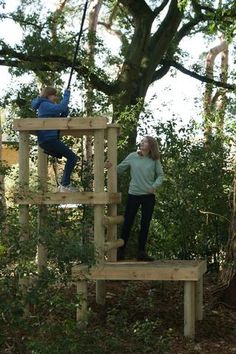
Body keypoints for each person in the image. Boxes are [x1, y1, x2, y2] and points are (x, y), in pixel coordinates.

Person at [114, 136, 164, 261]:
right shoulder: (132, 156)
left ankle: (141, 253)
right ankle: (120, 252)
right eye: (142, 141)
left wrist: (154, 186)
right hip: (133, 195)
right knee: (127, 223)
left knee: (145, 224)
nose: (142, 142)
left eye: (145, 141)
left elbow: (161, 175)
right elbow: (119, 170)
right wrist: (109, 166)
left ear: (151, 145)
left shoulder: (154, 160)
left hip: (148, 196)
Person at [31, 86, 78, 192]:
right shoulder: (44, 105)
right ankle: (64, 185)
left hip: (48, 140)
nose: (56, 98)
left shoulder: (47, 106)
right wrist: (66, 94)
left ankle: (64, 185)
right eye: (54, 95)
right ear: (48, 95)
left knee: (71, 157)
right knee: (72, 158)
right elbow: (59, 108)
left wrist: (65, 111)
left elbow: (59, 118)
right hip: (49, 139)